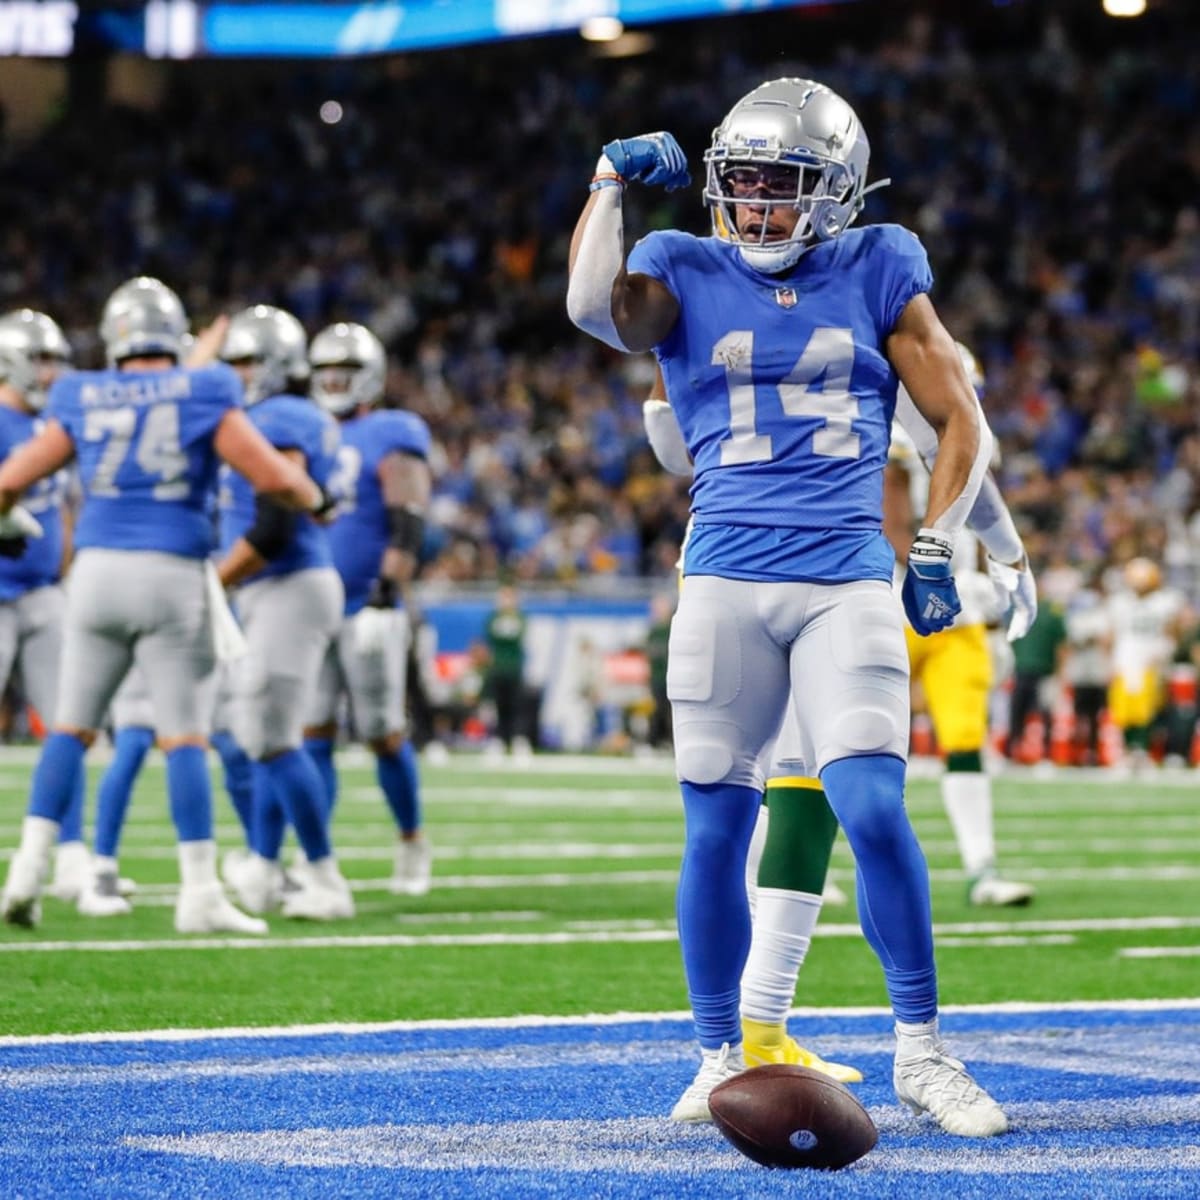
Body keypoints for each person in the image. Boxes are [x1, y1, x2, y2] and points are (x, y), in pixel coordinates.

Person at [567, 78, 1007, 1136]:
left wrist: (943, 542)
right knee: (714, 829)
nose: (761, 206)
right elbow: (593, 310)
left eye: (787, 185)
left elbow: (960, 417)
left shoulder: (877, 263)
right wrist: (607, 184)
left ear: (842, 192)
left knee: (871, 807)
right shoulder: (682, 261)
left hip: (846, 577)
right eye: (747, 183)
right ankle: (718, 1054)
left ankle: (922, 1052)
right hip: (721, 577)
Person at [0, 276, 331, 933]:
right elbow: (273, 477)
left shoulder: (81, 392)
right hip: (172, 571)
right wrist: (311, 496)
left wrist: (10, 523)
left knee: (69, 727)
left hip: (94, 574)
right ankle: (200, 893)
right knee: (184, 737)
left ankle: (25, 875)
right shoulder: (204, 390)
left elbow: (8, 481)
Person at [215, 304, 353, 921]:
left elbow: (274, 521)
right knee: (263, 734)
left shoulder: (280, 415)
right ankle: (266, 866)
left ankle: (323, 878)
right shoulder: (286, 415)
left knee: (271, 736)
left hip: (289, 582)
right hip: (284, 585)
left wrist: (213, 582)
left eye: (247, 359)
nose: (238, 371)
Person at [884, 347, 1036, 906]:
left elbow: (977, 527)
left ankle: (982, 868)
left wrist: (988, 613)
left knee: (965, 739)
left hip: (961, 617)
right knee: (849, 739)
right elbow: (891, 522)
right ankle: (807, 866)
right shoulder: (900, 437)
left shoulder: (974, 439)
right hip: (896, 606)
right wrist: (935, 576)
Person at [300, 320, 434, 897]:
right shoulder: (303, 431)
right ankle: (316, 857)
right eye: (324, 370)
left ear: (371, 376)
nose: (333, 381)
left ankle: (411, 841)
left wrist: (388, 587)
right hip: (310, 604)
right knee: (312, 733)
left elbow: (409, 515)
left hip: (366, 603)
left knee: (382, 731)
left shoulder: (391, 430)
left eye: (345, 371)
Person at [0, 309, 90, 899]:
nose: (50, 372)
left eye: (56, 359)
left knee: (68, 723)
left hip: (44, 594)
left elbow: (64, 508)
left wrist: (67, 574)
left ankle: (73, 855)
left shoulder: (58, 423)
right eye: (41, 359)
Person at [482, 584, 530, 757]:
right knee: (499, 706)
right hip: (498, 668)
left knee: (516, 706)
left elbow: (516, 635)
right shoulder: (494, 617)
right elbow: (492, 635)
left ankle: (518, 739)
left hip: (514, 668)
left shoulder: (520, 617)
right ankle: (499, 739)